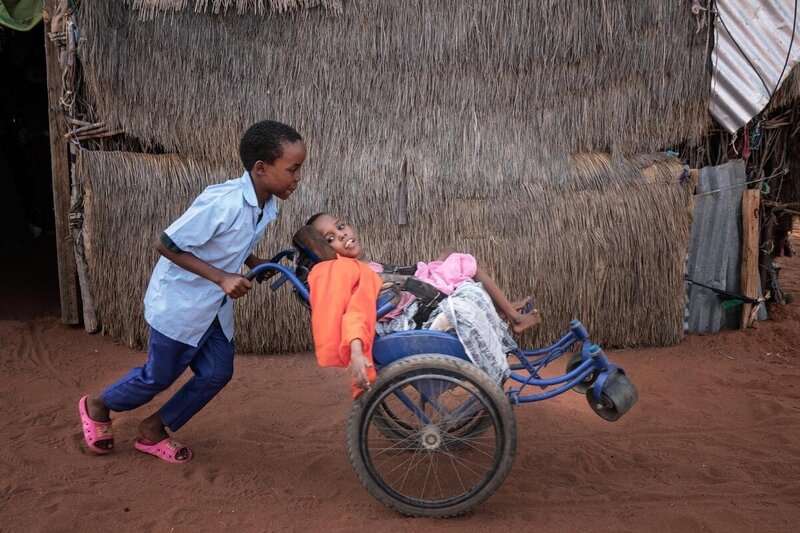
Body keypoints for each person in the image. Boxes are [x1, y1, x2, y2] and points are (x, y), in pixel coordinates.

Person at [78, 120, 306, 463]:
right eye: (292, 169)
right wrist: (220, 278)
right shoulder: (224, 202)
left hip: (210, 306)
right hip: (181, 303)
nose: (297, 177)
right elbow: (167, 244)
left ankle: (154, 428)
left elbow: (228, 242)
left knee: (217, 372)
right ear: (261, 168)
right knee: (159, 375)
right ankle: (99, 403)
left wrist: (255, 261)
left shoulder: (265, 203)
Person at [305, 212, 540, 391]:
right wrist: (356, 351)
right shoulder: (348, 271)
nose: (343, 235)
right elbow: (355, 312)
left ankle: (502, 312)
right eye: (332, 238)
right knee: (465, 269)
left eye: (341, 226)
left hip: (415, 295)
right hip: (412, 314)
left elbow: (394, 276)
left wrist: (425, 269)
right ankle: (510, 315)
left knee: (454, 258)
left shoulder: (359, 267)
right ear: (327, 250)